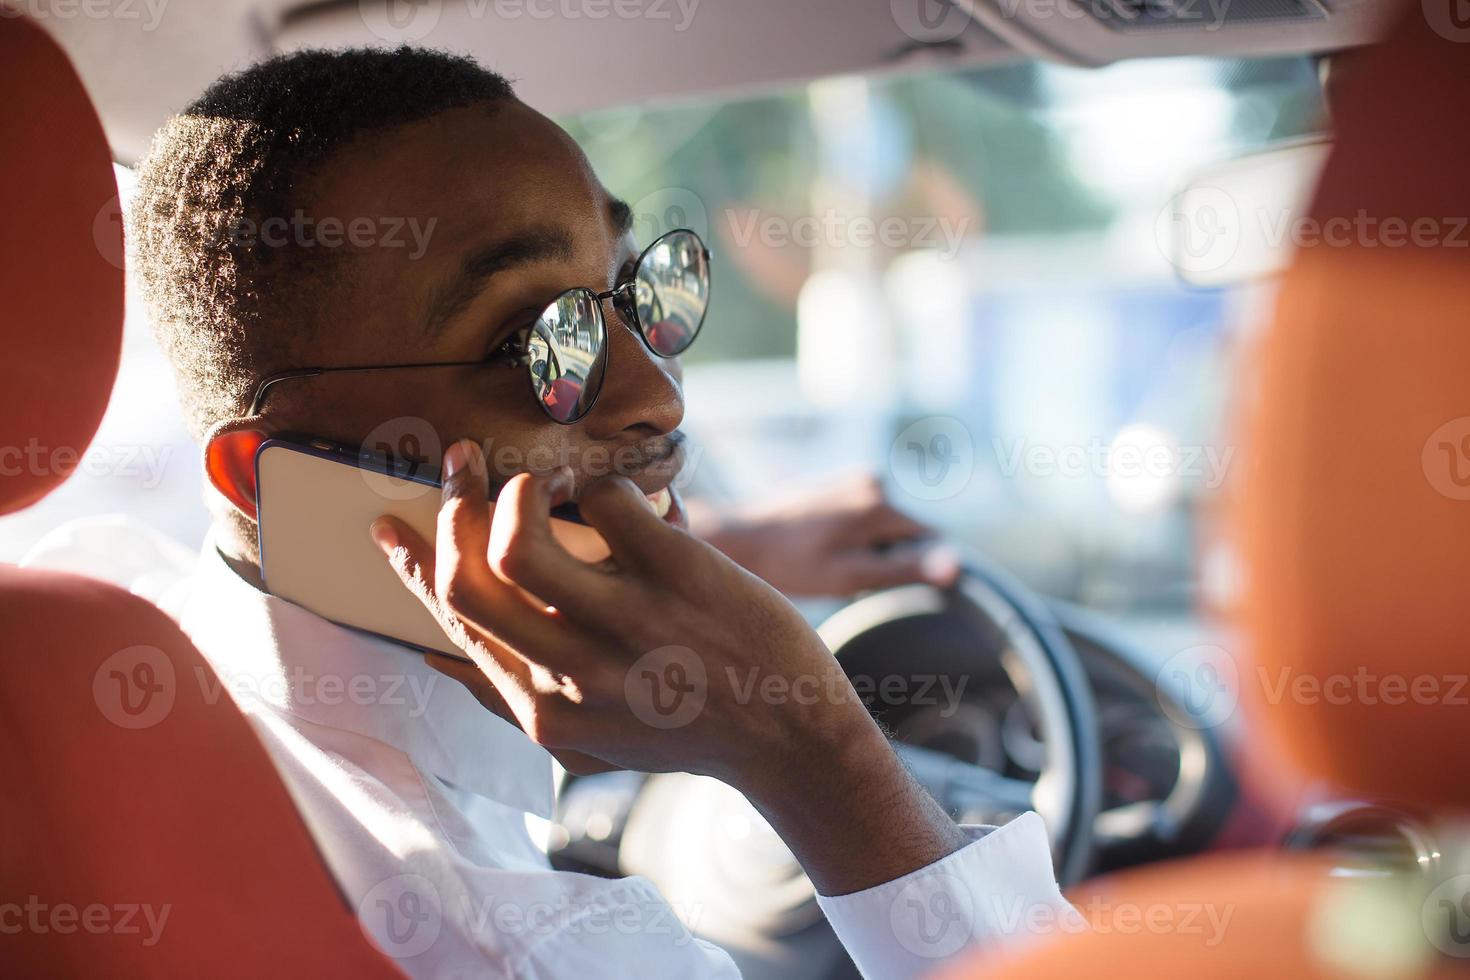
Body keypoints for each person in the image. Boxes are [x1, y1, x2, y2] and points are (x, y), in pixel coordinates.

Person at [130, 46, 1074, 979]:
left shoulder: (118, 630)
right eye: (528, 340)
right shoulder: (522, 949)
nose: (657, 390)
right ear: (266, 473)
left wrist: (724, 551)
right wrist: (817, 749)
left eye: (636, 294)